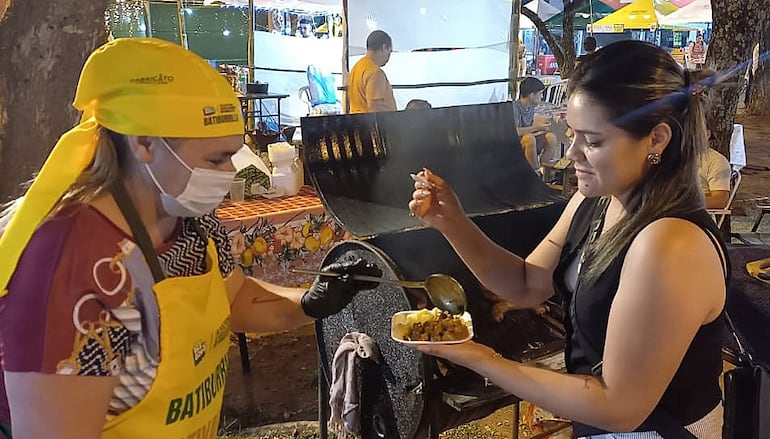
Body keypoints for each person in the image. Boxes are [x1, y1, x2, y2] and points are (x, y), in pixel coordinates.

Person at [0, 38, 380, 439]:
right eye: (216, 159)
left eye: (233, 155)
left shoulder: (191, 220)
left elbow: (232, 297)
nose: (229, 173)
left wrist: (312, 301)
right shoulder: (69, 267)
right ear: (144, 143)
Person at [409, 40, 727, 437]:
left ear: (657, 139)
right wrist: (452, 223)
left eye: (592, 141)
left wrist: (481, 359)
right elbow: (526, 283)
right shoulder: (595, 200)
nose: (573, 153)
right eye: (573, 134)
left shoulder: (670, 242)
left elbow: (619, 407)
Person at [514, 77, 558, 171]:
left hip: (527, 139)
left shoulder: (531, 107)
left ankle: (545, 169)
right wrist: (537, 127)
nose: (541, 97)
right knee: (529, 138)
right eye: (540, 94)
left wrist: (541, 128)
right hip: (516, 143)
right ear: (532, 95)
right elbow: (515, 131)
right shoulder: (515, 108)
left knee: (551, 137)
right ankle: (535, 170)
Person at [348, 30, 397, 113]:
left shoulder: (357, 67)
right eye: (389, 52)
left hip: (356, 118)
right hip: (373, 121)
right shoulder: (375, 73)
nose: (388, 58)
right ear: (384, 47)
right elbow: (374, 109)